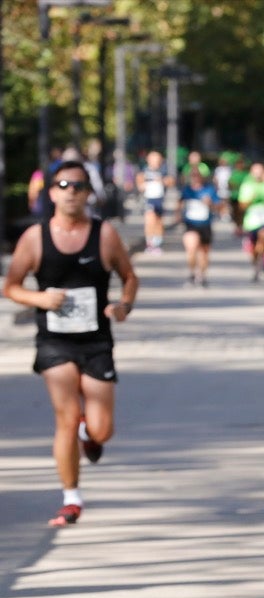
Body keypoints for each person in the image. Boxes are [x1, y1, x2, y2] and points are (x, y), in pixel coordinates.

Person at [3, 159, 138, 527]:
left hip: (96, 341)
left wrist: (124, 305)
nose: (71, 192)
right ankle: (70, 498)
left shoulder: (104, 234)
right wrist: (41, 300)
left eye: (78, 186)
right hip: (54, 342)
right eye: (63, 185)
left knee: (101, 430)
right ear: (51, 193)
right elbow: (11, 286)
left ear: (88, 193)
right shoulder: (35, 238)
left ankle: (88, 432)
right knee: (63, 417)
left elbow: (129, 277)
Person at [178, 166, 218, 287]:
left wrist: (210, 204)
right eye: (193, 176)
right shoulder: (187, 190)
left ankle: (203, 275)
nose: (195, 178)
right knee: (191, 249)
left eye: (197, 176)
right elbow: (180, 202)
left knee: (204, 253)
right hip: (190, 224)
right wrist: (178, 214)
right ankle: (192, 273)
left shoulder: (209, 190)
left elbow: (219, 206)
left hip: (205, 224)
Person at [238, 162, 264, 282]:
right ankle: (257, 266)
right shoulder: (247, 186)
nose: (258, 174)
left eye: (260, 172)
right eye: (256, 172)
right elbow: (242, 206)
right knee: (256, 247)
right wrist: (251, 199)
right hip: (252, 220)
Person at [134, 150, 171, 255]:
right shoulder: (144, 171)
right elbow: (139, 184)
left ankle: (157, 243)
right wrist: (146, 184)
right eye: (153, 159)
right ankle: (150, 244)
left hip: (159, 199)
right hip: (148, 200)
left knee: (159, 221)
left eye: (158, 159)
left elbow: (170, 181)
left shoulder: (163, 171)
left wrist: (162, 181)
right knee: (150, 220)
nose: (156, 162)